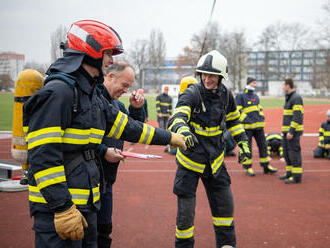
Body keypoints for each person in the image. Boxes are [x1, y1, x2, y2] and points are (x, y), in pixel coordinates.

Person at [23, 20, 186, 248]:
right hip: (59, 213)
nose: (111, 60)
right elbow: (42, 156)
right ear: (90, 51)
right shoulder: (59, 92)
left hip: (86, 207)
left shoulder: (90, 94)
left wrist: (168, 137)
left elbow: (127, 126)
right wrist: (62, 208)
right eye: (108, 53)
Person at [168, 50, 251, 248]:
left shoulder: (226, 96)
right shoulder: (192, 93)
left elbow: (234, 122)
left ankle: (226, 245)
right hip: (190, 162)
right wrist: (183, 131)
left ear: (221, 77)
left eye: (212, 75)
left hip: (215, 162)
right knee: (185, 218)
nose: (206, 78)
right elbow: (176, 118)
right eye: (203, 74)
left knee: (225, 209)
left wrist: (244, 143)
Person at [96, 62, 145, 247]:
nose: (126, 90)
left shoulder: (118, 106)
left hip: (107, 182)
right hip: (86, 184)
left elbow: (133, 129)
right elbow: (81, 141)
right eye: (124, 85)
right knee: (86, 234)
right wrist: (104, 152)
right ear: (110, 77)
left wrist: (135, 108)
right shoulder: (92, 101)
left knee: (105, 231)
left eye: (129, 87)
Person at [235, 77, 277, 176]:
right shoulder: (241, 96)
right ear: (249, 83)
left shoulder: (255, 96)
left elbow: (259, 108)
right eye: (254, 83)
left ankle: (266, 166)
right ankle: (248, 168)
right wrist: (248, 120)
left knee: (263, 146)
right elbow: (238, 111)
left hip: (259, 127)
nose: (255, 85)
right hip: (247, 128)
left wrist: (261, 118)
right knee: (247, 147)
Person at [280, 78, 304, 184]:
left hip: (292, 133)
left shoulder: (296, 98)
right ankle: (289, 173)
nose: (282, 87)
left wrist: (291, 131)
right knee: (287, 153)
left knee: (294, 154)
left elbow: (297, 116)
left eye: (283, 85)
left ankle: (296, 177)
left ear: (288, 86)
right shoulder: (289, 97)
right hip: (286, 132)